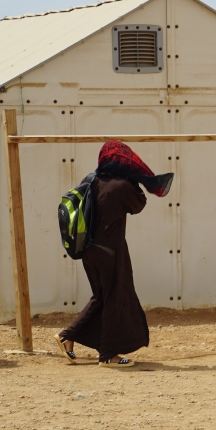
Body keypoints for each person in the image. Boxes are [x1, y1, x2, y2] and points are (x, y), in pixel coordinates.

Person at [55, 141, 173, 368]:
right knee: (112, 299)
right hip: (110, 252)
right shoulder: (122, 187)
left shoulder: (90, 180)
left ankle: (68, 337)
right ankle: (108, 355)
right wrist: (133, 180)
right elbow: (139, 204)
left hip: (88, 251)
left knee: (101, 297)